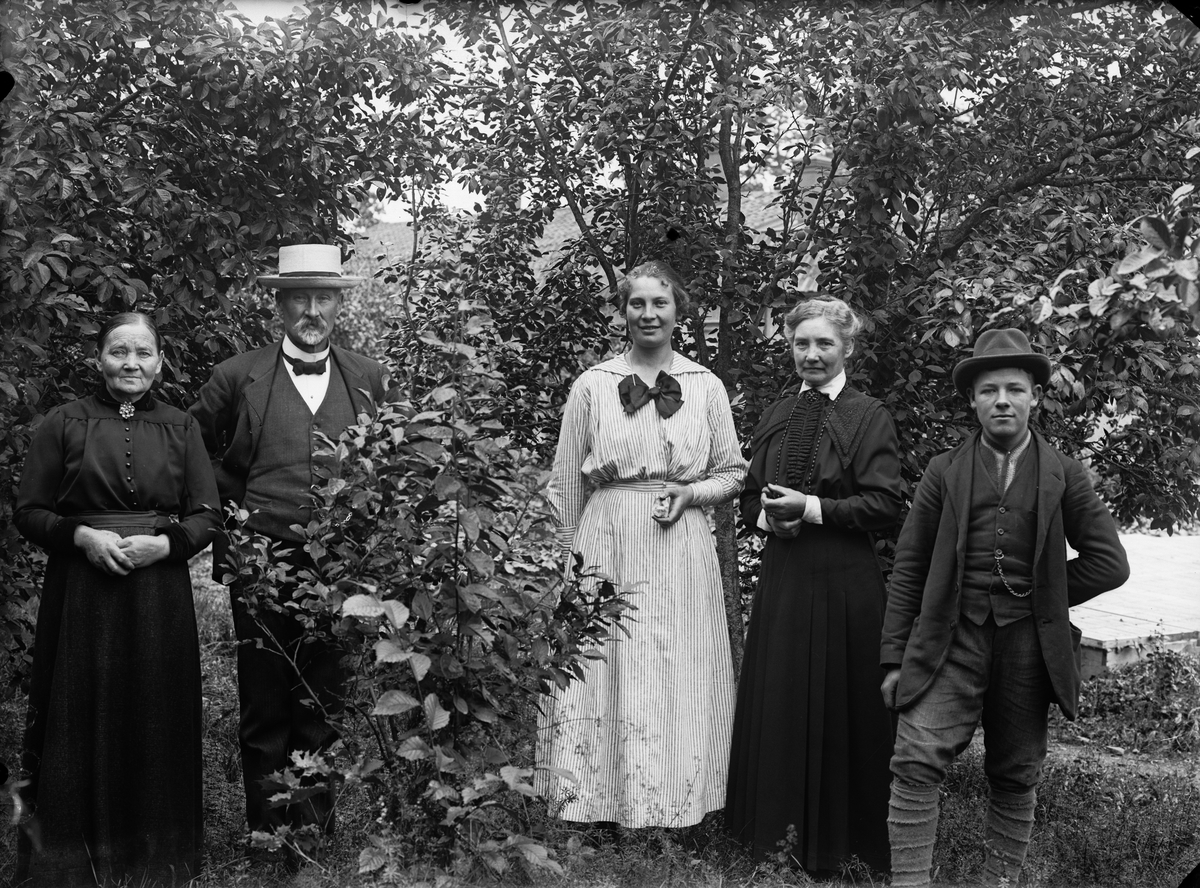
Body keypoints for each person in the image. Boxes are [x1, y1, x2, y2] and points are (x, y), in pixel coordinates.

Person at [880, 328, 1130, 887]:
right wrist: (895, 658)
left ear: (1035, 397)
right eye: (989, 389)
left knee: (1017, 771)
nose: (1001, 401)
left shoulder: (1064, 473)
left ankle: (1000, 882)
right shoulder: (944, 471)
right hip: (951, 635)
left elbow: (1110, 562)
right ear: (972, 400)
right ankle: (909, 883)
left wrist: (1045, 593)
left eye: (1014, 389)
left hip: (1028, 644)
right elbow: (910, 569)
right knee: (915, 760)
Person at [189, 243, 387, 861]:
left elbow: (392, 464)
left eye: (322, 296)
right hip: (259, 562)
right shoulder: (236, 375)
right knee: (264, 697)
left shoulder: (368, 376)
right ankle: (264, 833)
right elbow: (191, 447)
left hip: (339, 565)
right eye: (297, 296)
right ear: (278, 303)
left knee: (322, 697)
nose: (310, 310)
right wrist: (229, 511)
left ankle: (313, 832)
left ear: (338, 304)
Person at [536, 260, 746, 832]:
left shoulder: (706, 386)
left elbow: (732, 473)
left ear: (679, 311)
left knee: (681, 666)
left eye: (660, 303)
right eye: (637, 304)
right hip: (609, 539)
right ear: (623, 312)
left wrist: (691, 491)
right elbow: (565, 483)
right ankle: (596, 803)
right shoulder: (593, 385)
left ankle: (679, 804)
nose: (648, 314)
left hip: (682, 544)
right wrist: (565, 562)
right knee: (608, 663)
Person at [13, 312, 220, 887]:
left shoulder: (182, 428)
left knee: (155, 709)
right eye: (119, 352)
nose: (132, 364)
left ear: (160, 361)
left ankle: (157, 861)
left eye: (144, 353)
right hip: (81, 590)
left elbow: (207, 513)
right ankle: (69, 859)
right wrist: (81, 536)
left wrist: (168, 544)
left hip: (158, 593)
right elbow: (29, 510)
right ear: (98, 358)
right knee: (77, 712)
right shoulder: (63, 422)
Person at [725, 296, 903, 874]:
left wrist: (814, 508)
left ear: (846, 348)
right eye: (802, 343)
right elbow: (751, 494)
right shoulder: (777, 413)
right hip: (784, 579)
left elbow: (884, 504)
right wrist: (768, 516)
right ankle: (771, 842)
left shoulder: (868, 413)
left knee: (843, 707)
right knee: (782, 698)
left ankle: (843, 849)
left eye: (824, 343)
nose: (812, 354)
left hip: (846, 584)